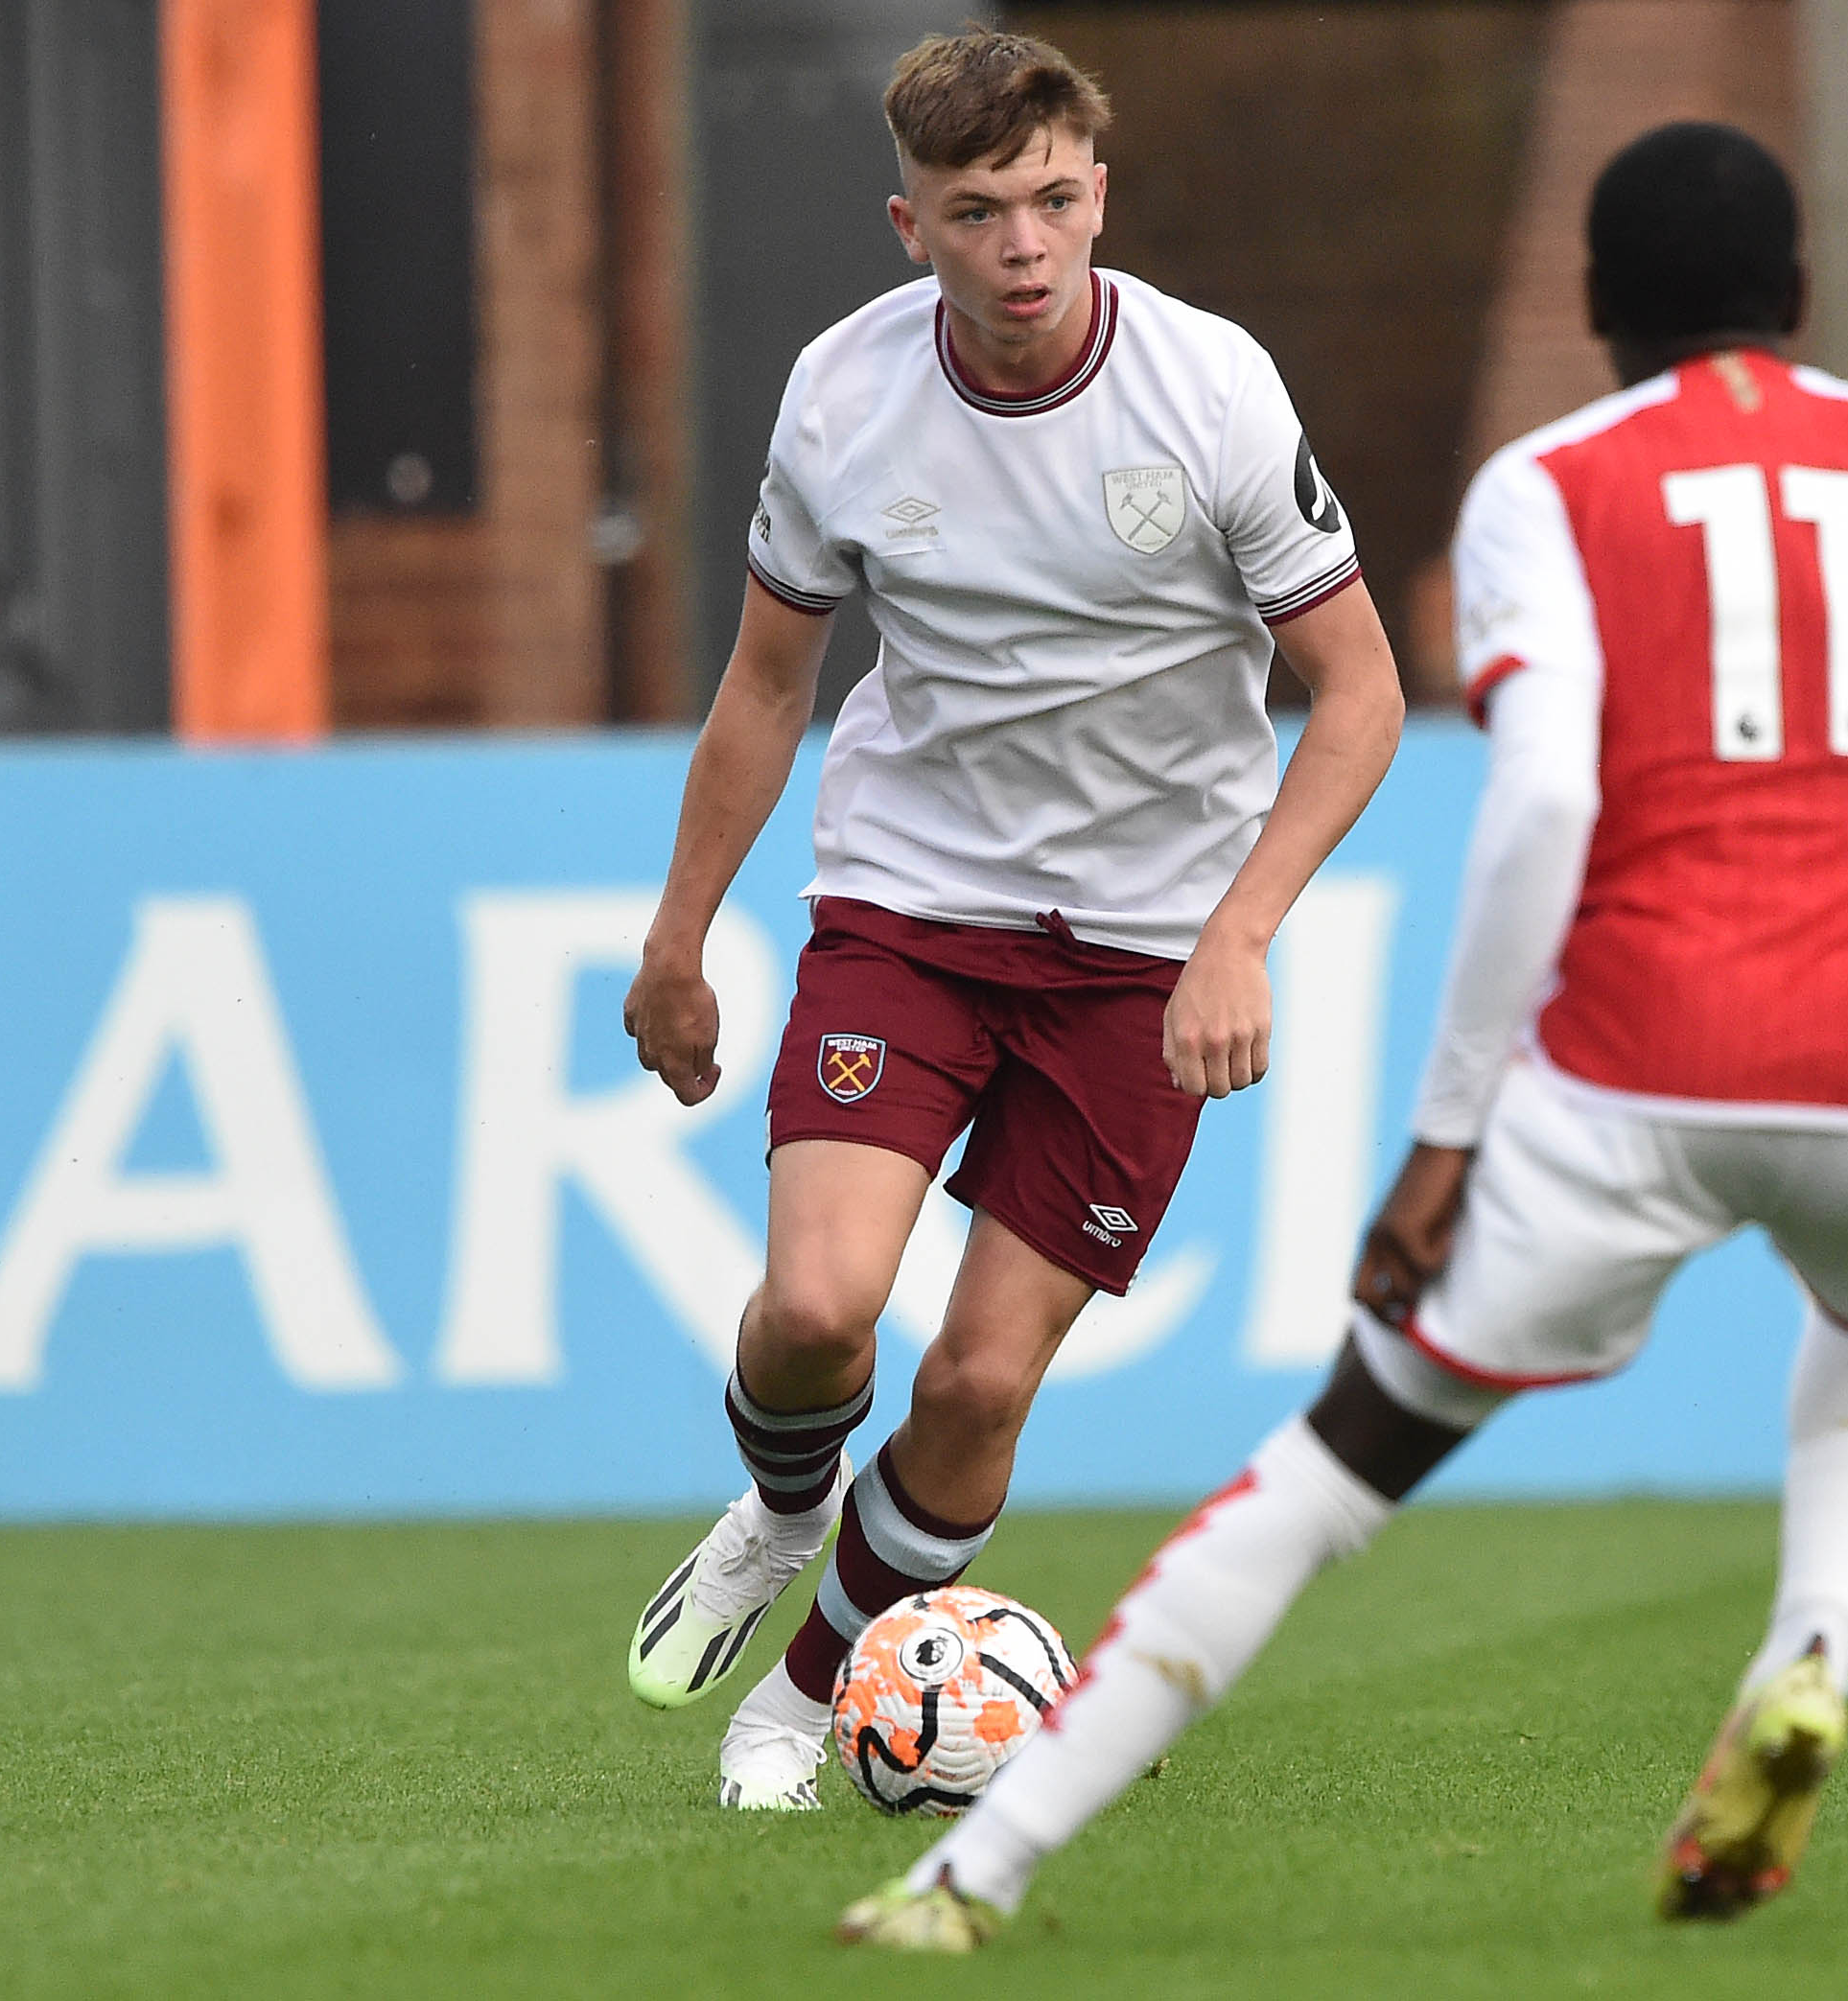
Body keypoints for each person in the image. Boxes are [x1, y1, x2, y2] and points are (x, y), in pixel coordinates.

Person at [832, 120, 1848, 1952]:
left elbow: (1538, 815)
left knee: (1328, 1478)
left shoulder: (1550, 487)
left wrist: (1447, 1139)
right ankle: (1811, 1645)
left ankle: (970, 1873)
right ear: (1803, 294)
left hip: (1644, 1072)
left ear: (1597, 309)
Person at [617, 28, 1404, 1808]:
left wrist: (1241, 933)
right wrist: (679, 934)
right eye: (981, 212)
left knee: (976, 1384)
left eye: (1053, 200)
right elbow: (763, 686)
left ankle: (808, 1704)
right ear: (913, 227)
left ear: (1099, 195)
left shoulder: (1209, 392)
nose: (1025, 244)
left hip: (1143, 950)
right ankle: (782, 1508)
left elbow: (1357, 693)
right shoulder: (841, 393)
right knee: (818, 1310)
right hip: (913, 897)